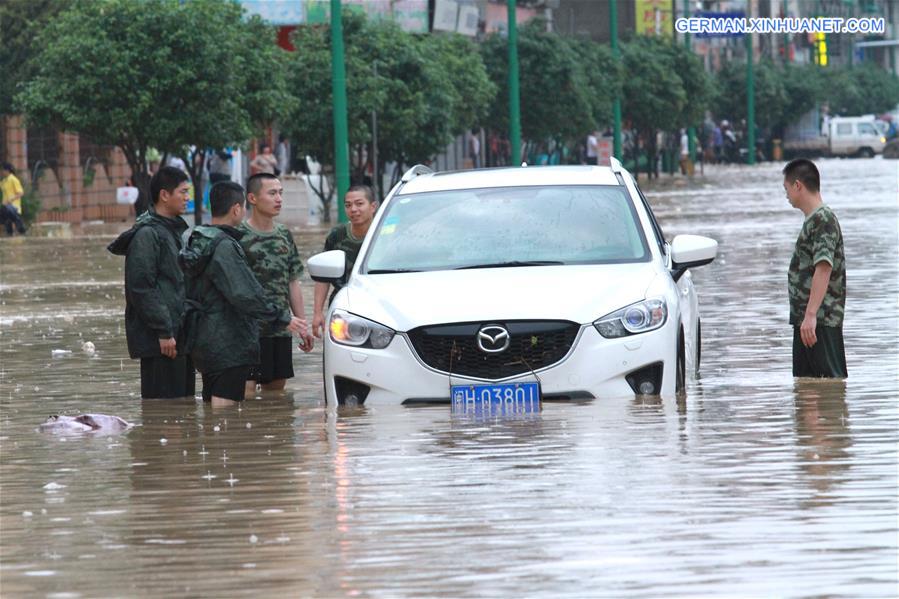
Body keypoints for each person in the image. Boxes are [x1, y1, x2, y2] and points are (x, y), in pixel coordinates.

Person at [180, 182, 307, 406]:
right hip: (227, 342)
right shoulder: (224, 246)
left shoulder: (197, 239)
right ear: (236, 209)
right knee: (226, 412)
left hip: (202, 338)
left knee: (212, 404)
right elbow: (245, 293)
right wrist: (282, 318)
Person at [107, 166, 195, 398]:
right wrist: (163, 331)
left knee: (183, 410)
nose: (187, 198)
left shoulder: (173, 232)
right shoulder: (148, 234)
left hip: (179, 335)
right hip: (162, 340)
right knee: (165, 413)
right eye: (183, 192)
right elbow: (141, 287)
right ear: (164, 195)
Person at [238, 173, 314, 393]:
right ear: (252, 198)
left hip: (281, 328)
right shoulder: (238, 236)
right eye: (272, 193)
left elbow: (293, 282)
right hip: (247, 331)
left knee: (276, 397)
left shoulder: (284, 234)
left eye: (281, 193)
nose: (279, 199)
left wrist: (302, 325)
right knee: (246, 393)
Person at [783, 158, 847, 379]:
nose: (786, 195)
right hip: (807, 323)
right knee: (807, 390)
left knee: (829, 388)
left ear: (798, 185)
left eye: (786, 188)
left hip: (821, 321)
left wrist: (811, 315)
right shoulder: (813, 220)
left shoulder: (823, 219)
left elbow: (824, 267)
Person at [312, 185, 378, 339]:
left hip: (376, 305)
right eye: (348, 205)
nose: (353, 209)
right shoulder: (337, 236)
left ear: (373, 206)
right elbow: (323, 276)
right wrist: (317, 313)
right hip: (343, 307)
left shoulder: (386, 235)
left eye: (359, 204)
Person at [0, 162, 27, 235]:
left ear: (7, 170)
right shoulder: (4, 181)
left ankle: (21, 228)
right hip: (5, 207)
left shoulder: (13, 179)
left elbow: (21, 193)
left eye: (2, 170)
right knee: (8, 227)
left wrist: (10, 200)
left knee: (9, 212)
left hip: (14, 207)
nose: (1, 172)